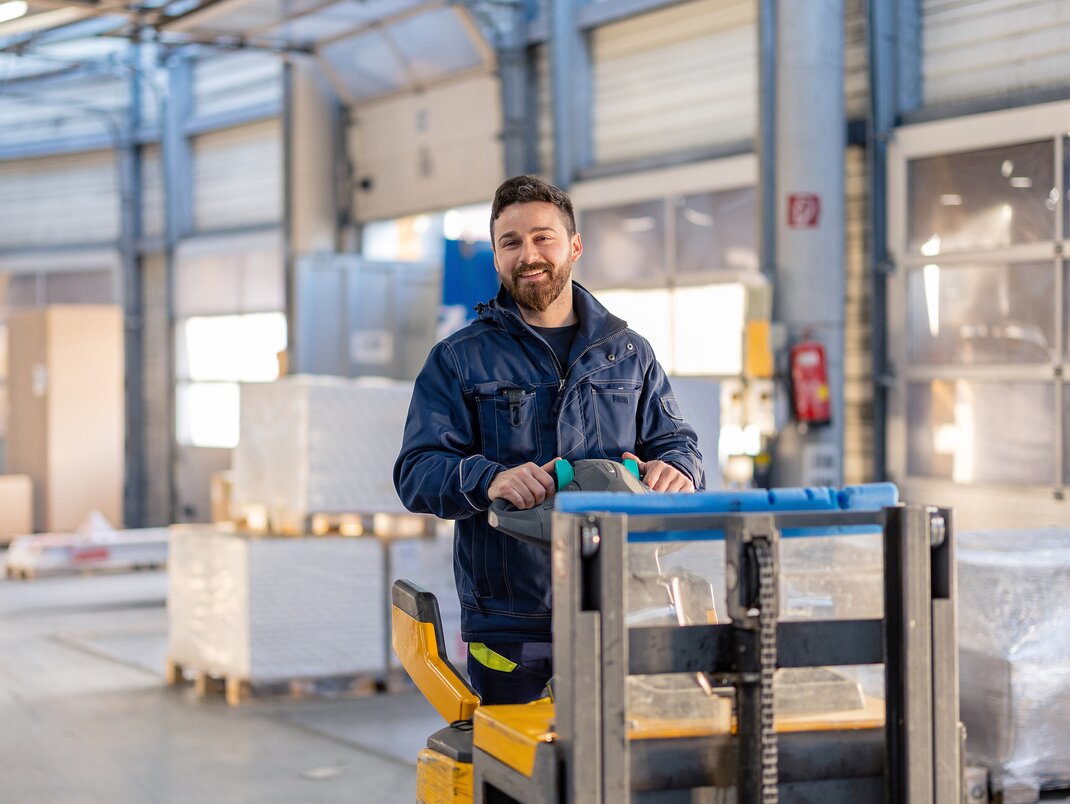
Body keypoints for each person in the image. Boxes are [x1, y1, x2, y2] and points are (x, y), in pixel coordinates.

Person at [394, 175, 703, 705]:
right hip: (512, 623)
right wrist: (489, 478)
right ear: (495, 257)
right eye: (511, 242)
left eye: (543, 238)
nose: (528, 254)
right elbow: (417, 472)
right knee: (521, 775)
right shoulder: (459, 358)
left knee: (619, 772)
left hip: (624, 606)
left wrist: (678, 469)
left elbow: (677, 444)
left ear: (575, 246)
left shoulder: (629, 354)